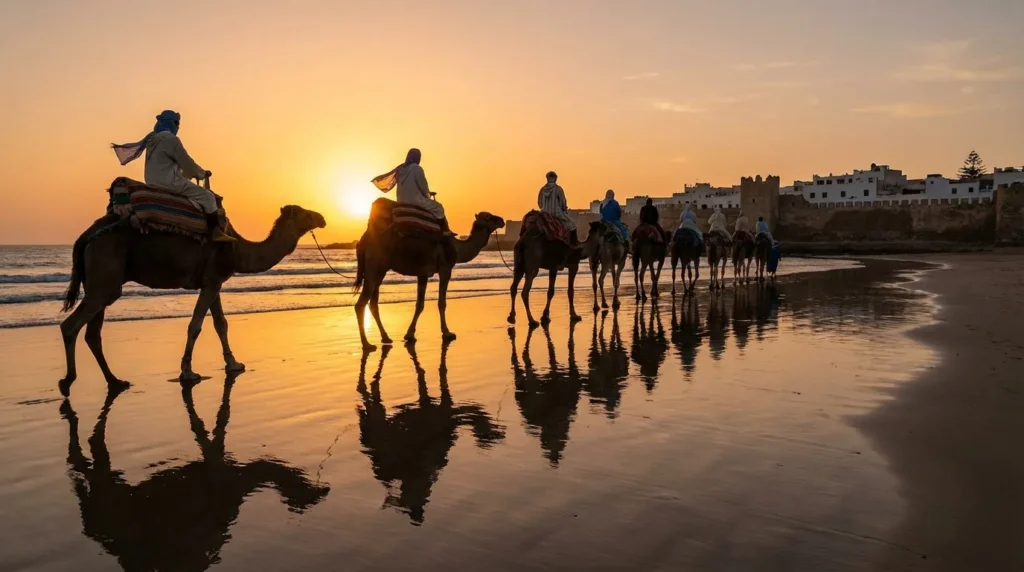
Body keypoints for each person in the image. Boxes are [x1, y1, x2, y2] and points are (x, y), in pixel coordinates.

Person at [112, 110, 234, 242]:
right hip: (169, 182)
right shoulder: (170, 139)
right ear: (171, 123)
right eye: (177, 124)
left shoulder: (152, 139)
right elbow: (186, 162)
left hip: (152, 182)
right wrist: (202, 173)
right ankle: (215, 232)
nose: (178, 127)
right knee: (208, 197)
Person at [372, 148, 450, 234]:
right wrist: (428, 194)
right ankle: (445, 231)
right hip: (415, 201)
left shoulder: (400, 170)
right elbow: (423, 188)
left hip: (401, 201)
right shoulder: (417, 169)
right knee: (438, 207)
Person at [537, 171, 577, 243]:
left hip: (543, 213)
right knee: (572, 224)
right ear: (555, 178)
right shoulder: (558, 189)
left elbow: (540, 204)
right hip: (556, 213)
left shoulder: (542, 190)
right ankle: (574, 244)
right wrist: (564, 210)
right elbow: (563, 202)